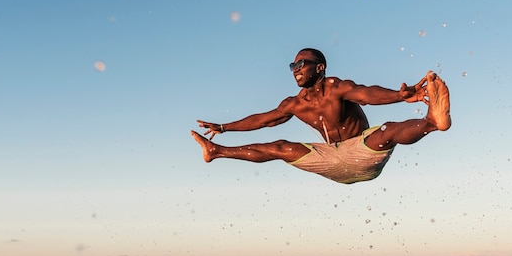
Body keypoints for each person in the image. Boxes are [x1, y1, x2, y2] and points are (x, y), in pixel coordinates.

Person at [191, 48, 450, 184]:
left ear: (319, 68)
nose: (295, 69)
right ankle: (216, 151)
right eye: (292, 66)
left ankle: (432, 122)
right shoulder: (294, 104)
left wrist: (399, 95)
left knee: (389, 130)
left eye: (301, 64)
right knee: (280, 147)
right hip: (331, 159)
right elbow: (263, 120)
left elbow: (366, 94)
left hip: (362, 152)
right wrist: (224, 127)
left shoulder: (336, 87)